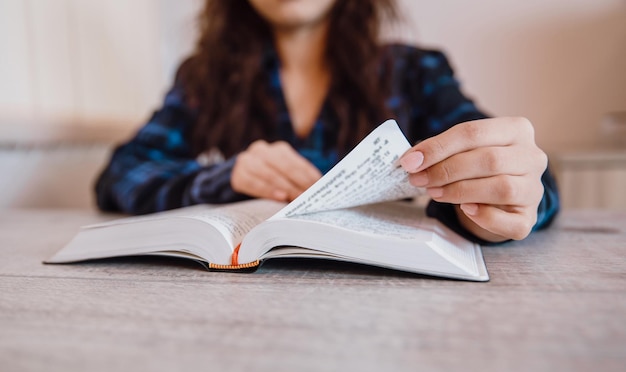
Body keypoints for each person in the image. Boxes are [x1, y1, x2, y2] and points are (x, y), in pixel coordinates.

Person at [95, 0, 559, 244]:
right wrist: (224, 176)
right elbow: (120, 174)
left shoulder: (416, 72)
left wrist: (487, 208)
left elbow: (524, 176)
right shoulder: (204, 77)